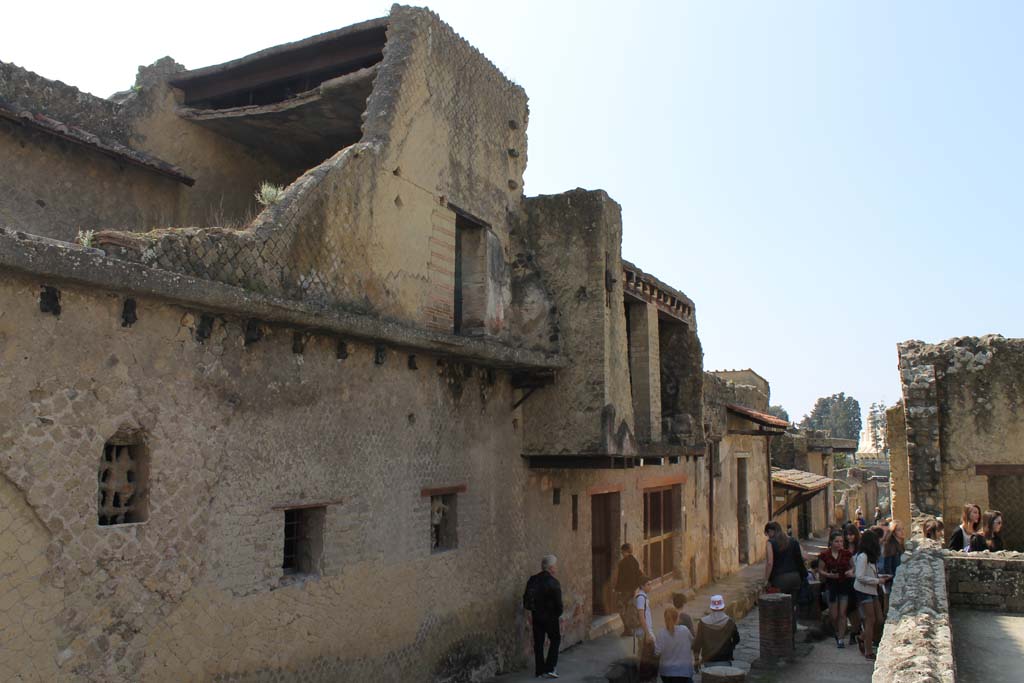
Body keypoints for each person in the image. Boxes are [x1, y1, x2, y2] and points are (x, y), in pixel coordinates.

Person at [523, 555, 563, 679]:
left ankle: (539, 671)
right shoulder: (554, 582)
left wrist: (534, 610)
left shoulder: (532, 579)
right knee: (555, 639)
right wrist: (557, 614)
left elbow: (526, 600)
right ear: (550, 567)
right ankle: (550, 668)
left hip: (537, 616)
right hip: (550, 617)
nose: (556, 568)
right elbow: (559, 604)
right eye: (555, 565)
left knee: (538, 643)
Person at [853, 531, 890, 660]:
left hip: (872, 590)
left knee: (879, 619)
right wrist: (877, 581)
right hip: (863, 591)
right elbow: (860, 576)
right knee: (870, 620)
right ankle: (868, 651)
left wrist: (879, 578)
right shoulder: (863, 556)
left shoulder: (871, 557)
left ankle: (862, 637)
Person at [764, 521, 805, 631]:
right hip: (795, 578)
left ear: (770, 531)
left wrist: (766, 580)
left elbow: (769, 563)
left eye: (767, 534)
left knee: (780, 607)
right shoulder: (792, 540)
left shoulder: (770, 543)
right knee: (792, 606)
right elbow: (803, 556)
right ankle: (792, 632)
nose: (767, 536)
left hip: (780, 579)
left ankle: (781, 632)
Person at [818, 530, 853, 648]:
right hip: (831, 585)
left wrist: (850, 571)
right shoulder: (824, 555)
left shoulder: (847, 554)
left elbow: (853, 567)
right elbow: (821, 570)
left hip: (843, 584)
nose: (839, 544)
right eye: (837, 541)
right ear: (831, 542)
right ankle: (837, 632)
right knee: (834, 615)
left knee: (842, 613)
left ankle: (841, 638)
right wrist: (828, 575)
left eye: (841, 541)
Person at [693, 595, 740, 668]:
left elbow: (698, 643)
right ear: (723, 607)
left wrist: (696, 659)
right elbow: (737, 639)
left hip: (708, 660)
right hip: (725, 658)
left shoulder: (703, 622)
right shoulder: (730, 622)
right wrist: (731, 647)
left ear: (711, 608)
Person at [655, 606, 695, 683]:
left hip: (666, 673)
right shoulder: (685, 630)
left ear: (665, 619)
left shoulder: (661, 633)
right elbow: (692, 643)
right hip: (683, 672)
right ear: (677, 619)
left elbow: (657, 652)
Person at [613, 543, 643, 636]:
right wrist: (636, 588)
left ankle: (627, 629)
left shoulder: (622, 563)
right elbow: (638, 575)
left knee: (621, 608)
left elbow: (621, 578)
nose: (622, 553)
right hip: (632, 590)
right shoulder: (635, 561)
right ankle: (631, 627)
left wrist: (616, 589)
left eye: (622, 552)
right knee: (629, 608)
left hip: (624, 591)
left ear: (625, 551)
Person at [842, 523, 863, 644]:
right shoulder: (843, 548)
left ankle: (856, 630)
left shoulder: (860, 549)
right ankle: (855, 630)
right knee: (849, 608)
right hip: (846, 581)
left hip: (857, 580)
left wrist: (853, 572)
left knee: (857, 607)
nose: (849, 537)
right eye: (847, 535)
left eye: (851, 535)